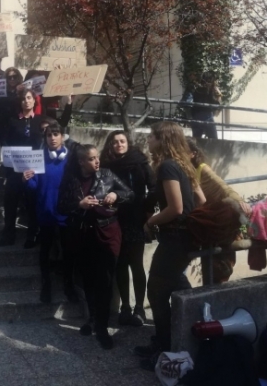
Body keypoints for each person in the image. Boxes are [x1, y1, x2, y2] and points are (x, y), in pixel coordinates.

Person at [134, 122, 206, 370]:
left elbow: (175, 208)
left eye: (151, 137)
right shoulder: (185, 165)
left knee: (156, 290)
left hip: (174, 237)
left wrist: (150, 222)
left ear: (162, 140)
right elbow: (201, 200)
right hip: (185, 237)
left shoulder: (166, 166)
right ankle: (180, 339)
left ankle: (163, 347)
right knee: (176, 285)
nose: (148, 141)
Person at [57, 144, 133, 350]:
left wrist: (116, 196)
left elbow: (129, 192)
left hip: (108, 232)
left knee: (106, 280)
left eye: (97, 157)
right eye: (91, 158)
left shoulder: (107, 174)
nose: (97, 161)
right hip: (84, 232)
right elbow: (60, 206)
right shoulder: (71, 178)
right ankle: (92, 319)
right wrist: (78, 205)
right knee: (88, 279)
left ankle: (102, 326)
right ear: (81, 161)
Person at [100, 130, 156, 327]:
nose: (119, 144)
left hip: (136, 218)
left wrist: (147, 209)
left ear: (128, 143)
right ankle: (125, 306)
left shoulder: (139, 162)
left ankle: (139, 307)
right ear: (110, 145)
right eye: (115, 142)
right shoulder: (106, 165)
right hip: (115, 218)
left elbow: (154, 187)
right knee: (121, 264)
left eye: (122, 141)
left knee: (136, 264)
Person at [24, 122, 78, 303]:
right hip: (45, 211)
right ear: (45, 138)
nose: (52, 138)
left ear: (63, 136)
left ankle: (69, 286)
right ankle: (46, 285)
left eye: (56, 134)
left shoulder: (72, 158)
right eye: (49, 135)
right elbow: (34, 187)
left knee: (69, 252)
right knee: (45, 252)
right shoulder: (38, 158)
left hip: (66, 213)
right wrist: (27, 179)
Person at [186, 137, 251, 283]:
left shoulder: (202, 169)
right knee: (208, 266)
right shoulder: (184, 172)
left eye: (183, 151)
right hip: (202, 225)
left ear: (193, 154)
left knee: (218, 268)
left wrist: (240, 202)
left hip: (215, 223)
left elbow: (224, 187)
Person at [0, 89, 45, 247]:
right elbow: (6, 142)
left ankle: (32, 236)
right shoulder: (12, 121)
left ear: (34, 101)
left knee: (31, 204)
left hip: (34, 170)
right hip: (15, 169)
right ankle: (8, 235)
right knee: (10, 203)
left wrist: (69, 103)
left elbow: (56, 131)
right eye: (23, 98)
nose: (26, 101)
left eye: (29, 98)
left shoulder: (41, 121)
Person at [0, 67, 22, 164]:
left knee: (9, 148)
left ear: (18, 77)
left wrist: (18, 93)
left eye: (14, 77)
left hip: (14, 122)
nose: (12, 79)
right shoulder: (0, 89)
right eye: (9, 77)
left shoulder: (21, 91)